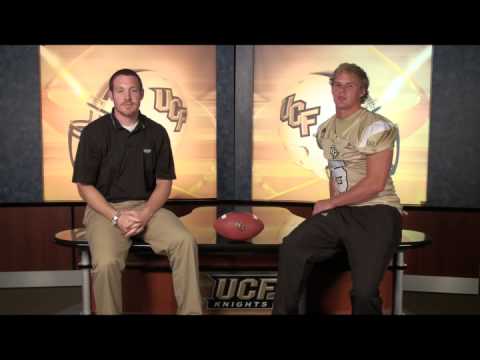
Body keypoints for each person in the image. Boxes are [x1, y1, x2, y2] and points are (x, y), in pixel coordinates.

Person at [272, 63, 402, 315]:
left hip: (376, 211)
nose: (341, 91)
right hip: (343, 210)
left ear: (362, 91)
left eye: (349, 86)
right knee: (293, 246)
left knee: (364, 293)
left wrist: (332, 203)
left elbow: (375, 183)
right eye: (337, 85)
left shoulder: (376, 126)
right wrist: (334, 207)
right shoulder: (327, 131)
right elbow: (335, 167)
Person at [72, 68, 202, 315]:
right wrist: (115, 217)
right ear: (111, 95)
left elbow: (164, 184)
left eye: (133, 90)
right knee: (107, 262)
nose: (127, 97)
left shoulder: (157, 132)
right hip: (104, 210)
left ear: (142, 94)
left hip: (148, 207)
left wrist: (144, 214)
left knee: (184, 242)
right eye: (120, 91)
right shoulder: (93, 133)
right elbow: (84, 186)